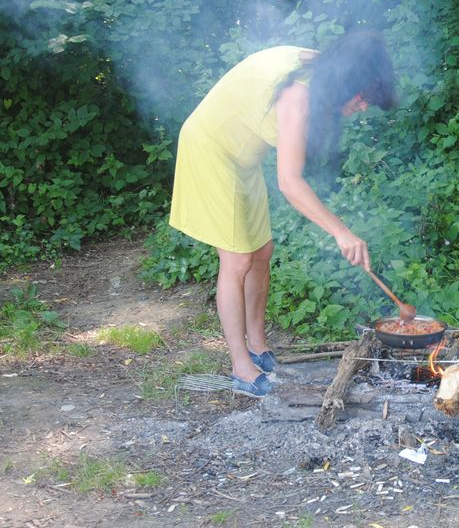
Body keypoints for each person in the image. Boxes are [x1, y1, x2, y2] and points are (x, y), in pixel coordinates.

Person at [169, 31, 397, 398]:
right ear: (346, 83)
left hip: (243, 159)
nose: (363, 106)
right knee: (237, 259)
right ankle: (241, 368)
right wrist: (341, 232)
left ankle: (258, 346)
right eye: (362, 97)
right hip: (212, 150)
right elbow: (289, 183)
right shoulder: (298, 96)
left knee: (262, 251)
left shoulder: (321, 70)